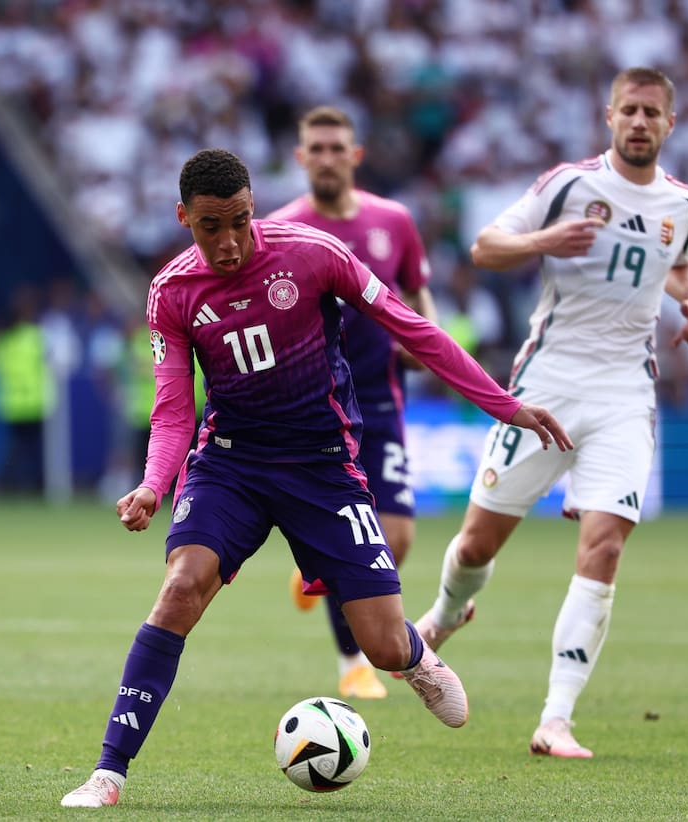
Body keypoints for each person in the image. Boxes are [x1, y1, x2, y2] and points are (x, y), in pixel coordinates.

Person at [60, 148, 572, 808]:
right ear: (184, 217)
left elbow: (413, 328)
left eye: (241, 220)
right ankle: (109, 773)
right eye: (211, 225)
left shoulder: (311, 254)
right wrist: (154, 485)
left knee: (382, 646)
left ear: (254, 208)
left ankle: (416, 656)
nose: (230, 240)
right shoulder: (172, 293)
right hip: (232, 464)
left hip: (322, 467)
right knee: (181, 588)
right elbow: (172, 407)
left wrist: (507, 403)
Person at [412, 67, 688, 759]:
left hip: (626, 395)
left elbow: (678, 260)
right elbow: (486, 247)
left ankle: (556, 719)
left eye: (652, 113)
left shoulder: (684, 204)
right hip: (546, 389)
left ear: (671, 123)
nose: (639, 122)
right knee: (477, 547)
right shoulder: (568, 186)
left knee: (603, 546)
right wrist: (544, 242)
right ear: (609, 117)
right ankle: (451, 611)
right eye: (628, 110)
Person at [266, 105, 439, 701]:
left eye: (337, 147)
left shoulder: (395, 221)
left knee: (398, 537)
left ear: (355, 156)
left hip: (382, 400)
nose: (327, 157)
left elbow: (417, 292)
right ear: (301, 157)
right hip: (318, 407)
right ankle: (352, 664)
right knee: (350, 534)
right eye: (316, 148)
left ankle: (316, 572)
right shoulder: (281, 227)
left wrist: (427, 341)